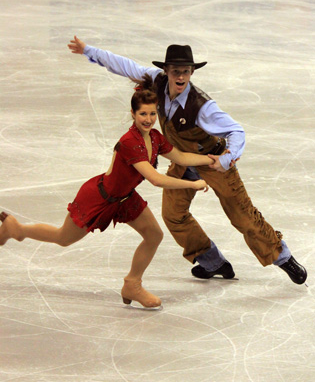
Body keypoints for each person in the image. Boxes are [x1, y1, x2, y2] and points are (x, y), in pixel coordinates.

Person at [66, 36, 307, 286]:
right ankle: (213, 262)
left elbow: (237, 131)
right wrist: (88, 51)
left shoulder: (202, 106)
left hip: (211, 159)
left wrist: (225, 161)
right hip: (182, 160)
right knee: (173, 214)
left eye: (185, 71)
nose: (180, 77)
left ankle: (283, 257)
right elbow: (125, 66)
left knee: (242, 217)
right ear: (166, 71)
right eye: (175, 71)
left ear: (191, 72)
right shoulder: (156, 82)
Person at [0, 77, 223, 308]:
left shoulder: (155, 138)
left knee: (154, 235)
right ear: (133, 114)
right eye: (143, 114)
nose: (148, 120)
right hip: (99, 198)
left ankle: (132, 284)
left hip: (125, 198)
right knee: (63, 238)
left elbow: (181, 157)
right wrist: (193, 184)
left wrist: (210, 159)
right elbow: (155, 179)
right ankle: (17, 229)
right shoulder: (130, 142)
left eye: (152, 114)